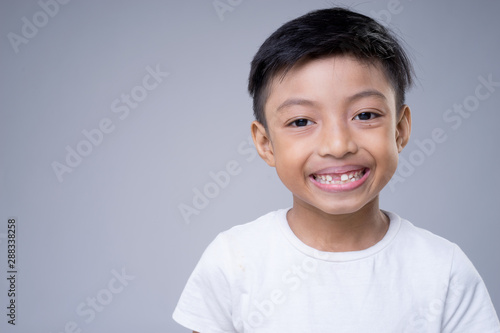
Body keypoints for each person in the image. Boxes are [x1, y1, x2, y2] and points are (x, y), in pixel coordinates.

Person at [172, 7, 500, 332]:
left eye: (365, 115)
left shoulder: (444, 270)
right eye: (301, 121)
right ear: (265, 143)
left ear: (400, 129)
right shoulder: (232, 260)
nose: (338, 144)